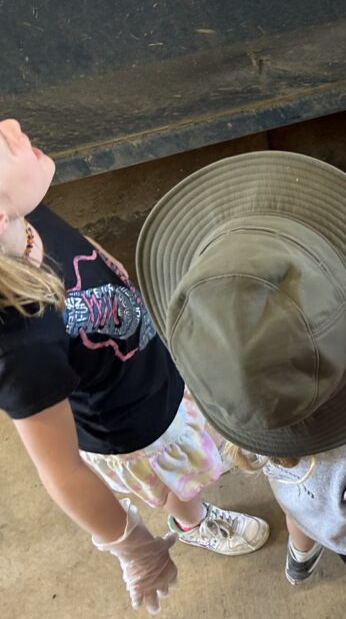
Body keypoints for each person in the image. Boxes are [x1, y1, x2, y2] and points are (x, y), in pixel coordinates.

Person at [135, 54, 346, 590]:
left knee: (303, 513)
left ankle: (299, 558)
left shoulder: (222, 378)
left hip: (298, 492)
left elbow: (320, 225)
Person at [0, 120, 268, 615]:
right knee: (178, 485)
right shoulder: (20, 345)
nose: (12, 126)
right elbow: (60, 472)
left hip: (148, 360)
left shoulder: (24, 214)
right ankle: (192, 522)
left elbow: (87, 255)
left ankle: (206, 465)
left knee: (199, 431)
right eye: (0, 140)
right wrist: (130, 544)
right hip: (135, 432)